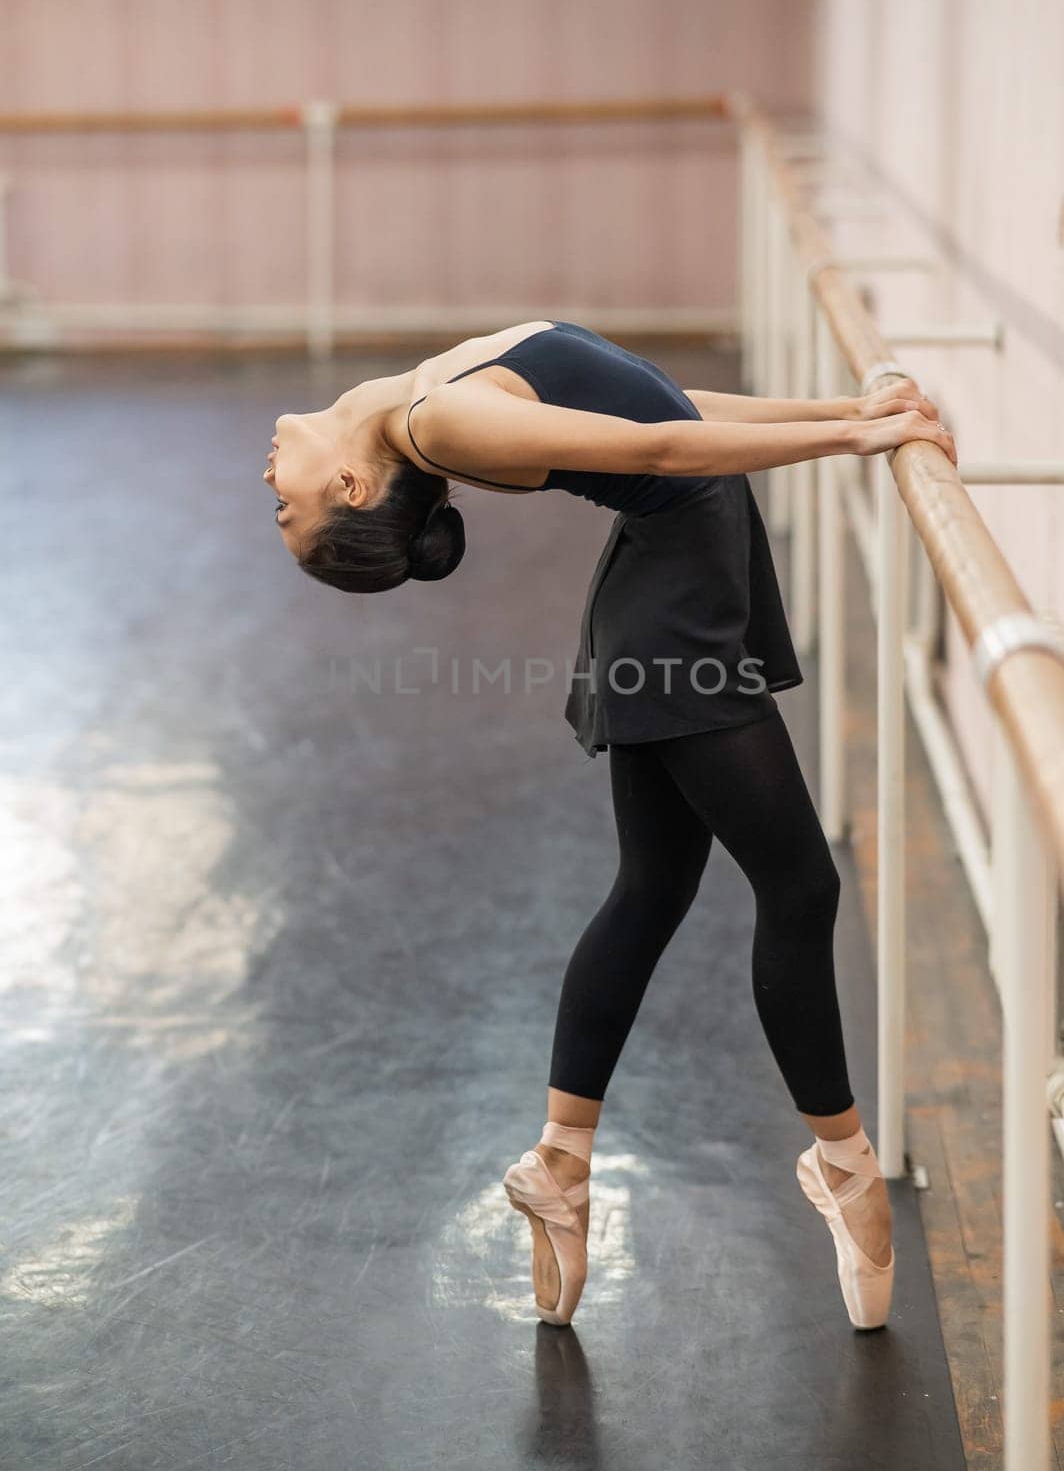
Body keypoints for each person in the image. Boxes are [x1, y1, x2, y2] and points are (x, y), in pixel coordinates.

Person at [263, 318, 956, 1331]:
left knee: (652, 890)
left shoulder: (423, 404)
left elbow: (670, 409)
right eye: (280, 504)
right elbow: (663, 447)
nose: (269, 478)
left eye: (273, 503)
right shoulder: (439, 417)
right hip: (672, 610)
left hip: (679, 577)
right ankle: (846, 1167)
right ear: (350, 491)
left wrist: (849, 413)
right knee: (792, 889)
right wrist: (851, 439)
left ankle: (560, 1164)